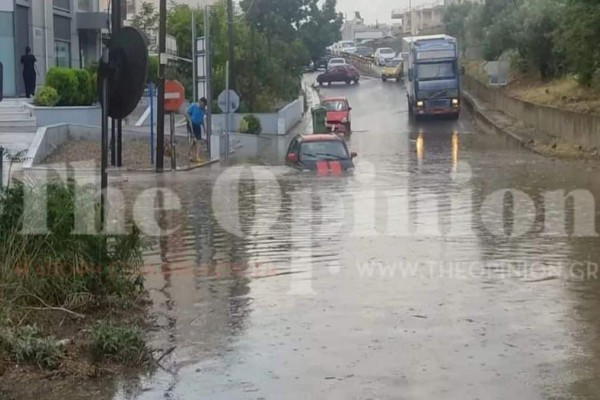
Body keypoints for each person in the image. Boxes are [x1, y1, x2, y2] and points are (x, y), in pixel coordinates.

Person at [186, 97, 207, 163]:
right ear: (200, 102)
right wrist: (189, 121)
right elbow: (187, 113)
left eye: (203, 105)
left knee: (198, 141)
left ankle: (197, 156)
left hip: (198, 126)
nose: (202, 106)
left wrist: (204, 127)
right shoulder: (194, 106)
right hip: (192, 124)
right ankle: (189, 154)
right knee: (193, 140)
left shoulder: (203, 110)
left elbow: (202, 118)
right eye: (202, 104)